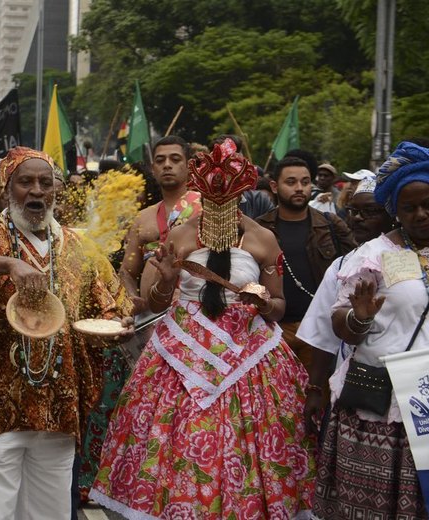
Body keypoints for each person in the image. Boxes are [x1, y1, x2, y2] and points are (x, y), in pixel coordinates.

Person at [91, 139, 315, 518]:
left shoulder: (263, 238)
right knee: (178, 440)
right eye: (211, 202)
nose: (218, 210)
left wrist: (262, 302)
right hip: (179, 353)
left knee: (247, 443)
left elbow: (279, 306)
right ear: (201, 196)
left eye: (226, 203)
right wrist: (165, 280)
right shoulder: (179, 235)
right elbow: (160, 303)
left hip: (250, 355)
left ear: (241, 197)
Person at [0, 147, 133, 519]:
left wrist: (118, 325)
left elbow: (109, 305)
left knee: (49, 512)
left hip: (57, 409)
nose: (36, 191)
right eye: (26, 182)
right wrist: (10, 264)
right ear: (7, 188)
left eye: (45, 183)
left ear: (55, 192)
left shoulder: (76, 245)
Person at [314, 141, 429, 519]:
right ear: (395, 210)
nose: (422, 214)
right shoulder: (374, 255)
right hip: (385, 407)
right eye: (410, 207)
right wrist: (360, 317)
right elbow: (342, 326)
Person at [296, 175, 395, 438]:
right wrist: (316, 389)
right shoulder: (342, 266)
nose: (358, 218)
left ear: (393, 214)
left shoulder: (418, 262)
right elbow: (322, 333)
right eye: (354, 210)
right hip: (360, 386)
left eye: (370, 211)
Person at [257, 155, 356, 377]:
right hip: (272, 330)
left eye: (305, 181)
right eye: (291, 182)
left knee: (317, 397)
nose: (300, 188)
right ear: (274, 186)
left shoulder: (330, 224)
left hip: (318, 331)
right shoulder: (259, 228)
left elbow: (354, 267)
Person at [119, 135, 202, 314]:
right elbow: (126, 271)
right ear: (153, 169)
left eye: (175, 159)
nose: (166, 164)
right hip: (150, 318)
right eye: (160, 160)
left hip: (195, 315)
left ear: (189, 166)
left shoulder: (205, 209)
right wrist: (133, 297)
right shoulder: (142, 218)